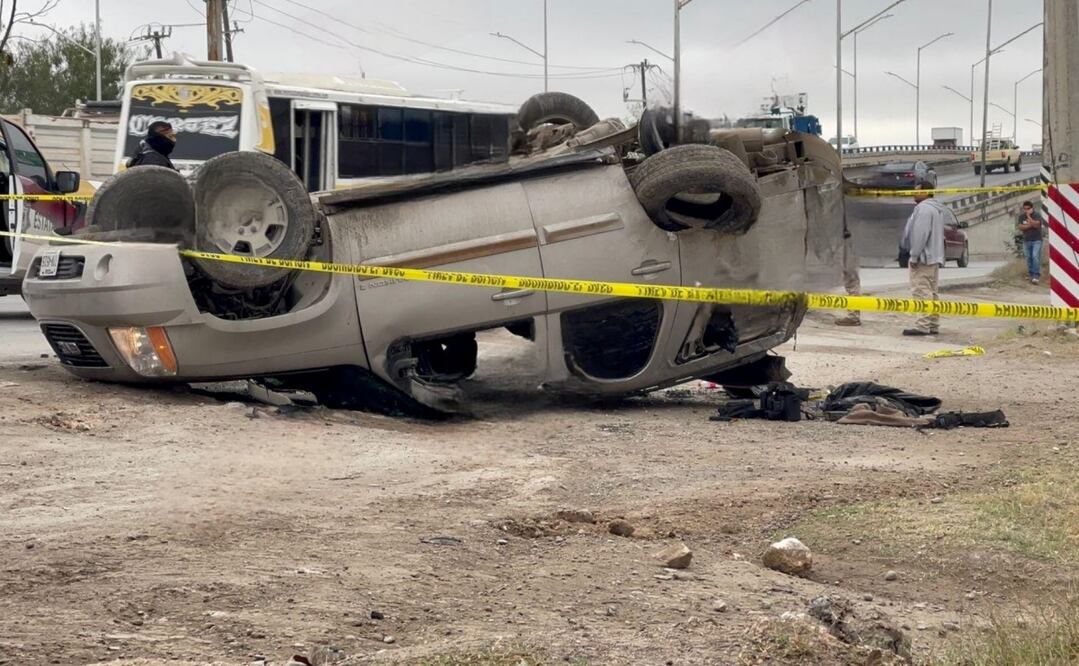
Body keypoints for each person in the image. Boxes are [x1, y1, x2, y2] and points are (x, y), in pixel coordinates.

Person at [899, 183, 950, 336]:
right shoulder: (936, 208)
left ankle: (922, 325)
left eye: (917, 191)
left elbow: (920, 234)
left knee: (921, 291)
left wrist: (914, 255)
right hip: (933, 256)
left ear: (926, 192)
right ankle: (933, 324)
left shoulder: (923, 209)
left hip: (923, 257)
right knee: (932, 292)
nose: (913, 194)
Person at [834, 226, 862, 326]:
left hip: (846, 240)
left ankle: (853, 315)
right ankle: (853, 315)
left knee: (851, 279)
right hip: (846, 239)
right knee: (851, 279)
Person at [1017, 201, 1045, 284]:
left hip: (1037, 240)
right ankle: (1031, 274)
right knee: (1028, 257)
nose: (1026, 210)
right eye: (1024, 209)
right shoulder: (1021, 217)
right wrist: (1030, 225)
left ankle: (1036, 275)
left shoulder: (1037, 215)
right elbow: (1021, 227)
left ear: (1032, 208)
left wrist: (1029, 217)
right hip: (1027, 240)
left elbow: (1037, 225)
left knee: (1035, 256)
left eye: (1028, 209)